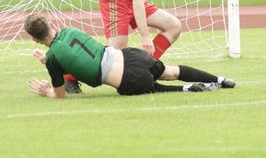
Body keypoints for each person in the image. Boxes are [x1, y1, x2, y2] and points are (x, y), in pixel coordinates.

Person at [23, 14, 235, 98]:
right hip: (132, 56)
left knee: (153, 88)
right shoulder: (70, 30)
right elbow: (79, 57)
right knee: (171, 71)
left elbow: (61, 96)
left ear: (34, 39)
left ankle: (188, 88)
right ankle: (221, 80)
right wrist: (47, 60)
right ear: (51, 24)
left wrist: (48, 92)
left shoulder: (53, 59)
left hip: (128, 78)